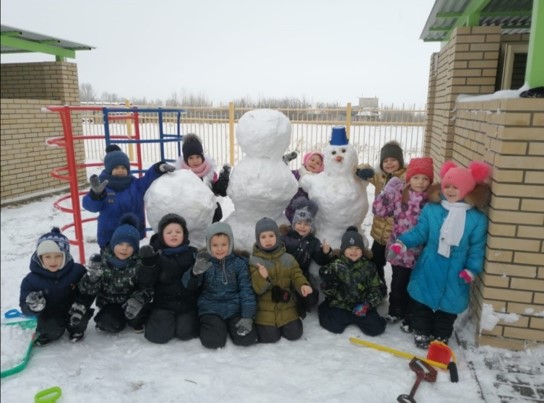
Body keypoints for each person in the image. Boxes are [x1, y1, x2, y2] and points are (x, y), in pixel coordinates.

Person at [389, 160, 491, 348]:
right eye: (447, 186)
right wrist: (402, 243)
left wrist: (471, 269)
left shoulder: (476, 218)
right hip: (430, 261)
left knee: (449, 305)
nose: (450, 191)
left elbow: (477, 247)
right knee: (422, 300)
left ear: (467, 189)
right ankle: (421, 332)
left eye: (456, 187)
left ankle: (441, 336)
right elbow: (420, 232)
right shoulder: (432, 209)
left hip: (456, 268)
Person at [373, 157, 434, 333]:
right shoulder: (400, 195)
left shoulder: (432, 200)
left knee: (414, 286)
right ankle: (395, 310)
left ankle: (410, 315)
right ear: (409, 179)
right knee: (398, 283)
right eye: (416, 178)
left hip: (421, 253)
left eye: (425, 179)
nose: (420, 183)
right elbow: (379, 210)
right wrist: (386, 192)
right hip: (399, 250)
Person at [82, 144, 176, 251]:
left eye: (123, 167)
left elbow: (148, 179)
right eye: (116, 168)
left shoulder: (135, 185)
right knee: (109, 263)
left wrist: (158, 168)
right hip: (109, 236)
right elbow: (90, 206)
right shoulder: (103, 188)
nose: (120, 170)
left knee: (132, 261)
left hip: (131, 235)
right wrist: (96, 195)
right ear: (108, 170)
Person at [183, 222, 257, 349]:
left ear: (230, 244)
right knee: (213, 342)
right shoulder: (204, 261)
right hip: (211, 308)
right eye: (215, 245)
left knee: (247, 339)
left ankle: (232, 326)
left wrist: (247, 316)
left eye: (224, 244)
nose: (219, 248)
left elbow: (246, 291)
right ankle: (215, 326)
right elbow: (189, 286)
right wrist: (195, 273)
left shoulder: (239, 264)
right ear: (208, 245)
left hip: (235, 309)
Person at [78, 214, 154, 333]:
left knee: (138, 318)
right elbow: (86, 291)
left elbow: (147, 286)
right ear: (113, 244)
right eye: (120, 244)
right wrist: (92, 278)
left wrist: (138, 299)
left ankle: (136, 319)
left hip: (131, 303)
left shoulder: (138, 263)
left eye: (129, 245)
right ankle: (112, 319)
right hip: (109, 304)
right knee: (108, 322)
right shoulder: (102, 261)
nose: (124, 249)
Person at [19, 227, 94, 345]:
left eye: (58, 256)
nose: (53, 261)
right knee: (51, 328)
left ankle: (76, 331)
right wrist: (32, 306)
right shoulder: (31, 280)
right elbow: (24, 305)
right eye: (47, 257)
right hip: (49, 313)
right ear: (39, 258)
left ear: (65, 255)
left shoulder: (77, 271)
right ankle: (48, 332)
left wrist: (81, 304)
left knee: (78, 319)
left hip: (73, 309)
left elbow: (87, 292)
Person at [249, 217, 313, 343]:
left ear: (277, 236)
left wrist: (303, 285)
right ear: (258, 239)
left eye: (271, 235)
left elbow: (296, 275)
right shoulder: (254, 261)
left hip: (286, 304)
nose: (268, 240)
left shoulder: (288, 258)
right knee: (269, 337)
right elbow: (256, 289)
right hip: (265, 307)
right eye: (263, 237)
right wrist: (262, 277)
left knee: (295, 334)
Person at [318, 227, 386, 336]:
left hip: (362, 306)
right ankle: (325, 308)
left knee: (376, 328)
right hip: (342, 305)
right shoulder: (336, 265)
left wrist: (367, 305)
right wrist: (329, 281)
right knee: (333, 326)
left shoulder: (369, 266)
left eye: (357, 248)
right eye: (349, 248)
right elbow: (327, 289)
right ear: (343, 249)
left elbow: (377, 289)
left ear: (362, 251)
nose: (353, 251)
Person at [358, 140, 406, 295]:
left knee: (397, 267)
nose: (389, 163)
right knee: (375, 262)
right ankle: (380, 288)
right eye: (385, 161)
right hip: (379, 233)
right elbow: (362, 169)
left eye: (393, 160)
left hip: (396, 235)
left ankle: (398, 296)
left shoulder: (407, 178)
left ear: (400, 161)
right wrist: (362, 170)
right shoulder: (380, 177)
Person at [142, 213, 199, 344]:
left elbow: (197, 284)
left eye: (178, 231)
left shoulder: (193, 253)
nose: (174, 234)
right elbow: (146, 282)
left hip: (187, 304)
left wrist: (197, 274)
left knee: (186, 334)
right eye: (169, 232)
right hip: (163, 305)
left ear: (184, 234)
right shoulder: (156, 254)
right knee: (158, 336)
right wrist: (147, 266)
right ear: (162, 235)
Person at [280, 197, 333, 314]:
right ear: (293, 224)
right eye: (299, 223)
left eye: (306, 224)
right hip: (284, 274)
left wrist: (325, 252)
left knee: (311, 299)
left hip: (302, 277)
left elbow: (320, 260)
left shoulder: (313, 242)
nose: (302, 226)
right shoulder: (285, 238)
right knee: (284, 293)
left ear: (311, 227)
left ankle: (297, 300)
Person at [177, 133, 230, 223]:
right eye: (191, 158)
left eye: (198, 157)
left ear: (202, 156)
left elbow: (217, 190)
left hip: (209, 214)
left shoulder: (209, 172)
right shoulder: (181, 174)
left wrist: (222, 182)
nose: (195, 161)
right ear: (186, 159)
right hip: (190, 215)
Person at [284, 151, 324, 223]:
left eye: (318, 163)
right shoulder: (297, 173)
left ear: (320, 168)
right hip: (291, 206)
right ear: (306, 160)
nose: (314, 163)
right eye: (312, 160)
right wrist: (285, 162)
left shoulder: (318, 180)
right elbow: (285, 175)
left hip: (306, 211)